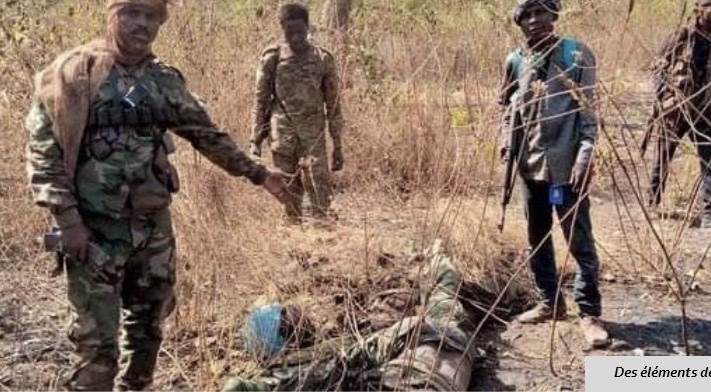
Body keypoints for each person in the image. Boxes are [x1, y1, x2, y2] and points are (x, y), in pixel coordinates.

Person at [25, 1, 287, 389]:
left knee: (148, 331)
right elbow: (42, 152)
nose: (142, 25)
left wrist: (259, 173)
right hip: (94, 232)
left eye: (151, 17)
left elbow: (206, 135)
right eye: (132, 14)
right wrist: (68, 221)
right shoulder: (73, 74)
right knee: (97, 348)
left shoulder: (163, 80)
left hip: (152, 232)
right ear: (112, 15)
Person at [222, 240, 477, 391]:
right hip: (430, 356)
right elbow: (243, 386)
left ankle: (433, 257)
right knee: (445, 284)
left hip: (428, 362)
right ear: (283, 336)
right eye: (288, 316)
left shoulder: (317, 355)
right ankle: (436, 254)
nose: (299, 313)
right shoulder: (293, 369)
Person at [498, 0, 609, 347]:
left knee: (578, 240)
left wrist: (585, 155)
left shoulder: (576, 55)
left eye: (541, 12)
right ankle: (550, 302)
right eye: (527, 16)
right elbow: (504, 106)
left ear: (554, 15)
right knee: (537, 236)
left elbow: (589, 113)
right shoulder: (516, 61)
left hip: (565, 171)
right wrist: (506, 140)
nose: (535, 21)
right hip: (530, 168)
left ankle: (589, 313)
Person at [646, 0, 711, 234]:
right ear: (698, 7)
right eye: (707, 4)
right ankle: (651, 203)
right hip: (676, 111)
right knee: (662, 157)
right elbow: (657, 68)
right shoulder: (681, 33)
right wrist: (665, 96)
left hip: (706, 112)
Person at [251, 3, 345, 224]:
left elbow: (333, 105)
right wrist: (254, 140)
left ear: (308, 27)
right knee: (288, 191)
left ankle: (322, 236)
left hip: (313, 136)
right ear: (282, 29)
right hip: (282, 135)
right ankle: (295, 242)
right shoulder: (272, 58)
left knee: (319, 187)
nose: (295, 37)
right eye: (289, 31)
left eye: (300, 31)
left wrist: (338, 145)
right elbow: (260, 100)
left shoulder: (322, 59)